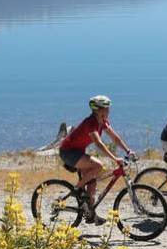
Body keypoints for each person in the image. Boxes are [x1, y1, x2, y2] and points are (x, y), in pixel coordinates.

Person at [57, 94, 136, 224]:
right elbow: (99, 144)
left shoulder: (102, 122)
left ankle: (90, 214)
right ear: (98, 110)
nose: (109, 111)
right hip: (68, 152)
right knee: (98, 166)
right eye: (106, 108)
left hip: (78, 152)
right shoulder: (91, 123)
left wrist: (128, 150)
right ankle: (76, 189)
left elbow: (115, 138)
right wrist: (115, 158)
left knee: (92, 185)